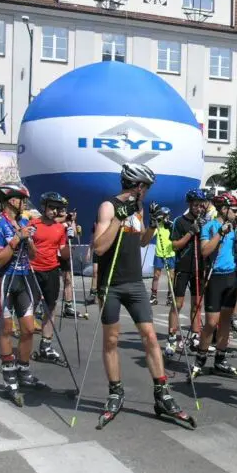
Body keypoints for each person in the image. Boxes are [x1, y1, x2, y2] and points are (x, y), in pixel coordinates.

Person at [91, 163, 189, 427]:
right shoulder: (108, 207)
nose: (147, 192)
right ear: (138, 186)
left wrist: (153, 226)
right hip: (111, 284)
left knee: (149, 337)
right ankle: (115, 392)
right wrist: (117, 220)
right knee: (111, 339)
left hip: (134, 284)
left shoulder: (139, 208)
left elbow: (142, 242)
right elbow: (99, 248)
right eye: (146, 187)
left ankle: (162, 393)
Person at [0, 183, 48, 404]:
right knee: (6, 329)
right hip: (5, 278)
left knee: (29, 329)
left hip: (24, 277)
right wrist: (16, 239)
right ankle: (9, 375)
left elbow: (32, 255)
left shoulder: (23, 221)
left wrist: (28, 239)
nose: (25, 203)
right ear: (12, 200)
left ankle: (23, 370)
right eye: (22, 199)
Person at [191, 192, 237, 379]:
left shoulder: (236, 227)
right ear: (224, 209)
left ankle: (220, 358)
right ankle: (200, 358)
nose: (236, 214)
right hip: (215, 278)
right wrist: (220, 233)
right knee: (211, 323)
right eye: (234, 210)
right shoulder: (210, 226)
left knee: (225, 322)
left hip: (230, 276)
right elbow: (204, 251)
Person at [29, 192, 71, 365]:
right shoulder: (33, 224)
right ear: (44, 207)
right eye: (51, 207)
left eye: (57, 208)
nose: (54, 211)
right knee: (29, 308)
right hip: (33, 270)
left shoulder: (60, 228)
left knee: (51, 307)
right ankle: (24, 347)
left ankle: (46, 345)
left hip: (52, 270)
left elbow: (65, 255)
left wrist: (70, 239)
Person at [166, 189, 208, 357]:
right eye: (196, 205)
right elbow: (175, 245)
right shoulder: (180, 221)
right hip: (183, 266)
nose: (199, 209)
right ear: (190, 205)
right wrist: (191, 232)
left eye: (201, 205)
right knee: (178, 303)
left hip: (199, 267)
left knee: (197, 303)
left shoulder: (205, 222)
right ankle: (171, 336)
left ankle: (196, 335)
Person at [149, 206, 175, 306]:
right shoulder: (158, 225)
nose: (164, 217)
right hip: (159, 253)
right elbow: (151, 235)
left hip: (170, 253)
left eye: (166, 215)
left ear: (169, 215)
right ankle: (154, 296)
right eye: (163, 215)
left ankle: (170, 297)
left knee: (171, 277)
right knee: (156, 276)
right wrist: (153, 223)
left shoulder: (172, 225)